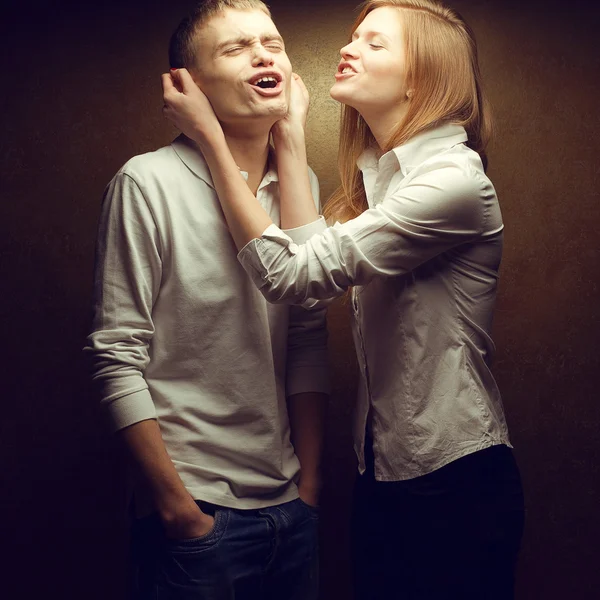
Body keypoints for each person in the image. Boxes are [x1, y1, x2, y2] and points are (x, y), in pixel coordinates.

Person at [162, 0, 525, 598]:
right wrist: (293, 138)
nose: (347, 48)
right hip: (382, 472)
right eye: (353, 37)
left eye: (374, 43)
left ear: (423, 77)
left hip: (455, 480)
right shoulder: (385, 178)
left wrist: (209, 138)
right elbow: (314, 271)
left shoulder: (452, 182)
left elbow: (293, 277)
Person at [85, 1, 331, 598]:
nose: (263, 53)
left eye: (271, 41)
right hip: (198, 517)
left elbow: (307, 336)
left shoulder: (299, 185)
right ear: (187, 85)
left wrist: (310, 489)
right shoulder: (147, 182)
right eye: (236, 47)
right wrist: (177, 509)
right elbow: (116, 355)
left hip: (289, 510)